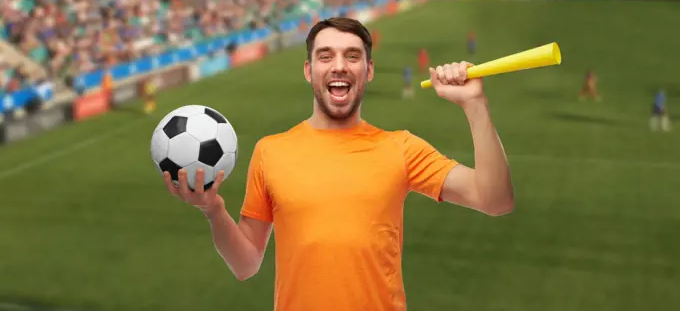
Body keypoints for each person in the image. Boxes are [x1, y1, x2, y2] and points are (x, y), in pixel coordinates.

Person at [162, 17, 514, 311]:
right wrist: (214, 211)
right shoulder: (271, 151)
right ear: (309, 69)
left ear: (369, 70)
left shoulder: (401, 148)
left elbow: (495, 200)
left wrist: (474, 104)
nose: (340, 66)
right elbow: (245, 264)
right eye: (326, 56)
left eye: (352, 56)